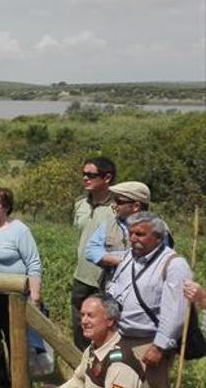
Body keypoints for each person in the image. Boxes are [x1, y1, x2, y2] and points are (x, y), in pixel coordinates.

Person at [106, 212, 191, 388]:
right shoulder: (129, 256)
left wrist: (159, 347)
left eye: (140, 234)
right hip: (120, 338)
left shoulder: (174, 265)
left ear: (158, 237)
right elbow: (118, 287)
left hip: (148, 343)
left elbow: (176, 312)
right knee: (117, 383)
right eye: (131, 233)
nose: (133, 238)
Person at [0, 187, 41, 386]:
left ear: (5, 207)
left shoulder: (19, 230)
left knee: (16, 343)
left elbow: (33, 263)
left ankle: (21, 382)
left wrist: (35, 297)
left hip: (15, 297)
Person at [72, 157, 117, 350]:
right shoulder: (80, 204)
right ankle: (82, 371)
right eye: (83, 174)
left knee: (104, 332)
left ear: (107, 177)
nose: (85, 179)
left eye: (91, 175)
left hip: (105, 279)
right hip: (81, 276)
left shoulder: (118, 206)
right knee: (80, 330)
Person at [60, 293, 144, 388]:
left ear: (110, 321)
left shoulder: (120, 365)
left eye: (90, 316)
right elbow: (79, 380)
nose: (83, 321)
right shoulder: (94, 348)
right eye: (82, 315)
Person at [85, 182, 150, 287]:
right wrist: (118, 261)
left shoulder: (158, 230)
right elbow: (91, 250)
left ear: (136, 206)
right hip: (111, 290)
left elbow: (161, 261)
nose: (114, 205)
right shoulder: (109, 223)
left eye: (119, 202)